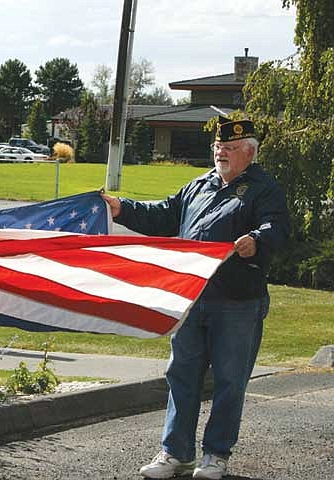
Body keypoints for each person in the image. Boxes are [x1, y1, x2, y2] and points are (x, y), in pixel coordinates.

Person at [102, 116, 290, 480]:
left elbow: (277, 227)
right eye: (218, 148)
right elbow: (165, 214)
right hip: (191, 299)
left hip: (237, 302)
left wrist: (258, 240)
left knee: (230, 381)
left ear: (249, 153)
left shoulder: (264, 188)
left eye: (230, 149)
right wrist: (121, 208)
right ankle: (176, 453)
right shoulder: (199, 186)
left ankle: (215, 456)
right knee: (181, 375)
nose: (222, 154)